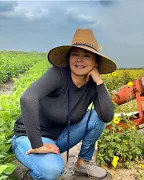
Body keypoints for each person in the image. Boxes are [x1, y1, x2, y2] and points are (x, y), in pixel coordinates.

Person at [11, 28, 117, 179]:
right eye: (75, 54)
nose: (79, 60)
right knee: (52, 171)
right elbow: (28, 98)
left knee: (96, 117)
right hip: (28, 138)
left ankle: (83, 163)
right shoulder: (58, 75)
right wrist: (37, 144)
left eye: (87, 56)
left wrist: (99, 81)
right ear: (68, 58)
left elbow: (106, 116)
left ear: (96, 62)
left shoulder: (93, 85)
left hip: (58, 138)